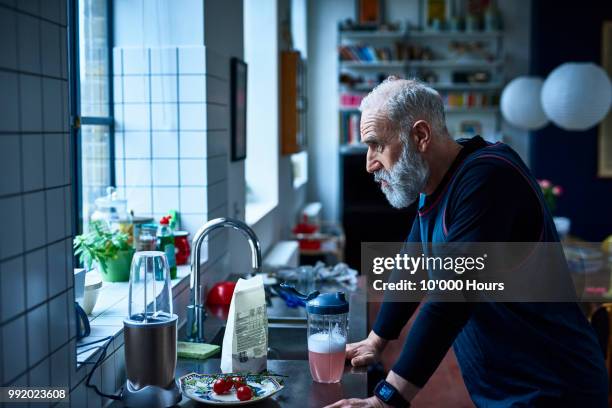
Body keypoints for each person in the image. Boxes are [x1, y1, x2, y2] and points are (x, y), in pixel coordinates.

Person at [325, 78, 608, 408]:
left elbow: (450, 296)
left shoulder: (489, 179)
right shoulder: (437, 180)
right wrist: (376, 341)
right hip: (503, 386)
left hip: (551, 388)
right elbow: (411, 267)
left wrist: (387, 399)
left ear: (420, 136)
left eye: (377, 145)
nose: (370, 163)